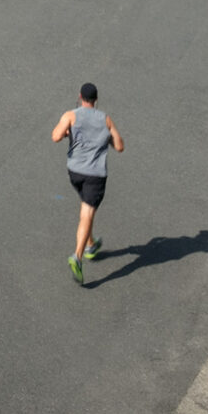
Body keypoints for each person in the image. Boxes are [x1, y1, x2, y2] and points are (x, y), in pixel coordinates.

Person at [51, 82, 123, 282]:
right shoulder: (105, 119)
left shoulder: (70, 115)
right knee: (87, 213)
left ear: (80, 96)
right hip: (95, 176)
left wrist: (68, 133)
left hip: (74, 172)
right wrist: (108, 138)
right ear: (96, 100)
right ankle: (77, 256)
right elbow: (120, 146)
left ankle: (91, 244)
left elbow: (56, 136)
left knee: (87, 209)